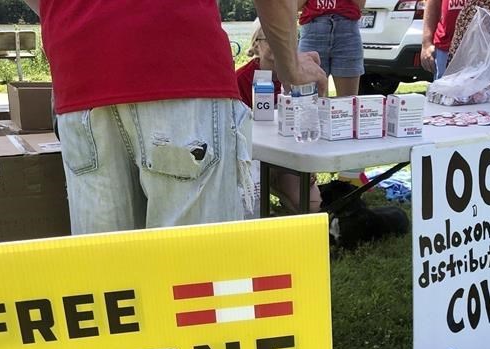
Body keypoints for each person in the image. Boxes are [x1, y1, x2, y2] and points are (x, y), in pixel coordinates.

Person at [22, 0, 326, 234]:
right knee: (194, 270)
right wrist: (291, 67)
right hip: (179, 58)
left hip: (79, 68)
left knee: (107, 273)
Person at [236, 21, 323, 213]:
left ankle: (287, 206)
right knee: (248, 209)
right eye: (270, 39)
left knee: (312, 204)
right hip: (252, 160)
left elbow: (310, 122)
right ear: (256, 44)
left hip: (288, 160)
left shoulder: (299, 77)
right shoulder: (240, 79)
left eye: (287, 40)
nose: (279, 45)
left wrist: (308, 164)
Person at [297, 0, 365, 97]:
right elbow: (295, 5)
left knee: (347, 102)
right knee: (311, 101)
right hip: (313, 29)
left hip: (346, 28)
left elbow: (360, 4)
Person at [420, 0, 469, 80]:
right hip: (445, 48)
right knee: (444, 86)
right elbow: (433, 4)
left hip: (480, 48)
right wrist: (426, 44)